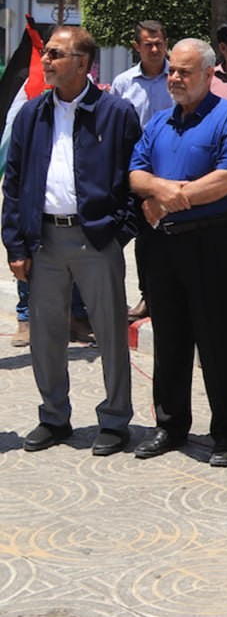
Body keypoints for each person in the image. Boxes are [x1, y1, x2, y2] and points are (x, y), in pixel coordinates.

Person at [2, 26, 141, 456]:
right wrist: (15, 244)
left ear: (82, 63)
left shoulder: (116, 113)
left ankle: (115, 420)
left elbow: (135, 178)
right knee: (45, 335)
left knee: (110, 333)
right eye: (46, 53)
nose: (46, 60)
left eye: (55, 54)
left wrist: (118, 233)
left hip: (96, 240)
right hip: (43, 240)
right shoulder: (32, 114)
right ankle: (54, 416)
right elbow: (14, 183)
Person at [130, 38, 227, 468]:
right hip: (163, 245)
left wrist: (168, 199)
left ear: (208, 74)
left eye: (184, 72)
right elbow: (136, 174)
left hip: (213, 243)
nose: (175, 78)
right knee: (169, 339)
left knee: (219, 340)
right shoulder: (160, 122)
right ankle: (170, 425)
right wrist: (160, 190)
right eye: (172, 71)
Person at [109, 19, 171, 324]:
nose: (155, 49)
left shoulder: (178, 77)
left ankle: (169, 295)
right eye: (148, 44)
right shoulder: (123, 83)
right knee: (143, 237)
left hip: (173, 171)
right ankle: (147, 294)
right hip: (136, 172)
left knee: (171, 238)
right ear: (137, 47)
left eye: (159, 43)